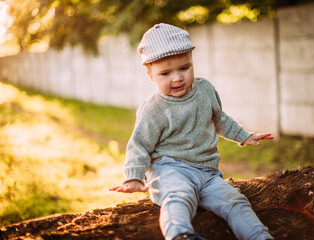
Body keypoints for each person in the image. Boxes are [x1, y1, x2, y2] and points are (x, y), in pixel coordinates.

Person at [110, 23, 274, 240]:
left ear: (192, 62)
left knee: (235, 201)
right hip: (170, 169)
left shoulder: (205, 90)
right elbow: (139, 144)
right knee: (179, 195)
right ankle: (180, 235)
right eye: (166, 73)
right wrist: (133, 176)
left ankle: (259, 236)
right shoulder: (153, 109)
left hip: (207, 173)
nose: (177, 78)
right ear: (150, 74)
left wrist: (245, 136)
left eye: (184, 68)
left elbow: (220, 119)